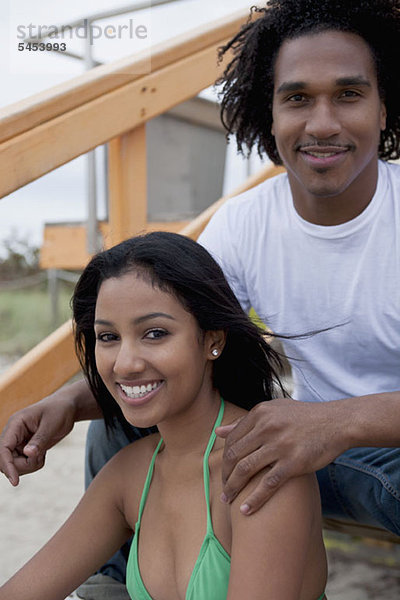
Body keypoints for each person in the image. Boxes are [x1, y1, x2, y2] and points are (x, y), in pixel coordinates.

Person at [1, 0, 400, 595]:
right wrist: (65, 400)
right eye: (296, 98)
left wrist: (337, 421)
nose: (320, 123)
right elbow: (169, 335)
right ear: (267, 112)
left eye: (347, 95)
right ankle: (112, 584)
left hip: (384, 455)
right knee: (120, 420)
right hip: (298, 443)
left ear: (384, 103)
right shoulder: (244, 224)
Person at [0, 232, 327, 600]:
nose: (125, 363)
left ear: (212, 340)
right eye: (108, 337)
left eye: (155, 333)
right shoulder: (130, 474)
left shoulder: (262, 468)